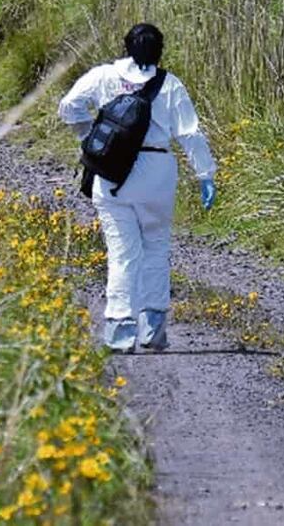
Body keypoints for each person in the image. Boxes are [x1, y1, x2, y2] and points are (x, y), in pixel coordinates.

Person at [58, 24, 217, 353]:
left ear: (126, 46)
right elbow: (190, 133)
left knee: (121, 254)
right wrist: (206, 174)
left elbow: (69, 105)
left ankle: (119, 330)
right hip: (158, 172)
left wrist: (90, 137)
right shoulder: (170, 85)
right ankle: (153, 330)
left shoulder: (103, 76)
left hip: (112, 175)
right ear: (160, 50)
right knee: (156, 249)